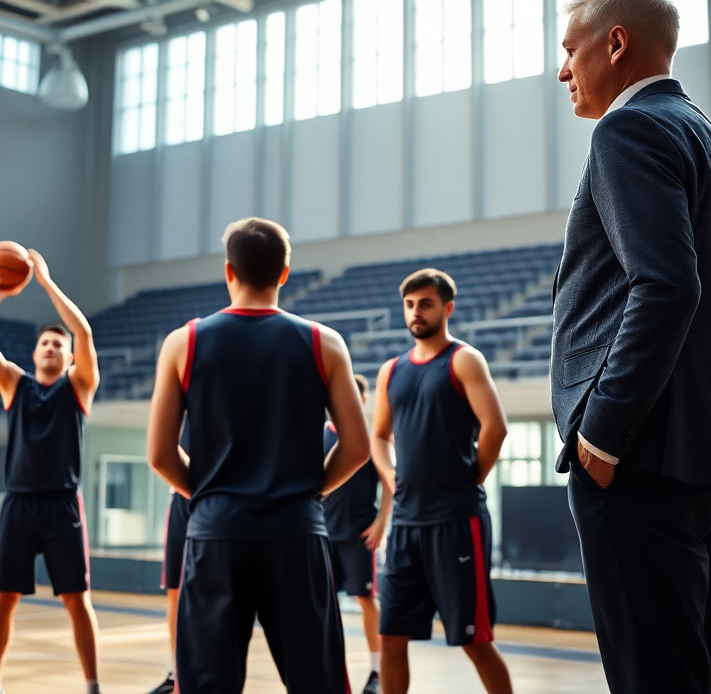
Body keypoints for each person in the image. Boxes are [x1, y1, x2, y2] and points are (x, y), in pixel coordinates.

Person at [554, 0, 711, 694]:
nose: (562, 71)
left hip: (640, 454)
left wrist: (603, 434)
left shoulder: (628, 128)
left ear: (615, 44)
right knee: (697, 672)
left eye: (570, 49)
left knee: (655, 679)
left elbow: (671, 287)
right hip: (710, 450)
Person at [147, 217, 370, 694]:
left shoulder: (182, 343)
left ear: (229, 271)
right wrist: (309, 493)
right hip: (295, 530)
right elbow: (357, 447)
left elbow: (161, 454)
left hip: (216, 532)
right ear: (285, 273)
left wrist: (208, 496)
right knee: (319, 683)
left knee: (207, 685)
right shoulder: (323, 342)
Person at [369, 269, 512, 694]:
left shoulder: (463, 359)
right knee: (390, 638)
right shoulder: (390, 370)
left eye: (426, 303)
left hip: (456, 522)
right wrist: (391, 475)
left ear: (447, 308)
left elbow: (496, 428)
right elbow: (378, 435)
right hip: (407, 527)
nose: (416, 311)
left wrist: (471, 478)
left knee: (475, 641)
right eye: (410, 304)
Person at [0, 250, 101, 694]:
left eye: (58, 345)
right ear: (34, 352)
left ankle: (92, 684)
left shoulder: (79, 387)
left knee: (78, 601)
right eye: (45, 342)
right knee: (2, 599)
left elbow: (81, 329)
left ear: (68, 358)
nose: (51, 346)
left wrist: (45, 282)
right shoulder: (14, 384)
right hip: (19, 503)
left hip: (64, 504)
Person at [322, 373, 389, 694]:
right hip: (323, 535)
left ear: (362, 400)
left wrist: (381, 524)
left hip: (360, 534)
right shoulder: (317, 436)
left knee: (366, 600)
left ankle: (376, 672)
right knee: (323, 604)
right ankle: (330, 668)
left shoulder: (371, 433)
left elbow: (391, 484)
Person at [146, 424, 190, 694]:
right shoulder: (189, 384)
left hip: (220, 494)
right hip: (183, 495)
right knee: (175, 591)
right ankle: (175, 673)